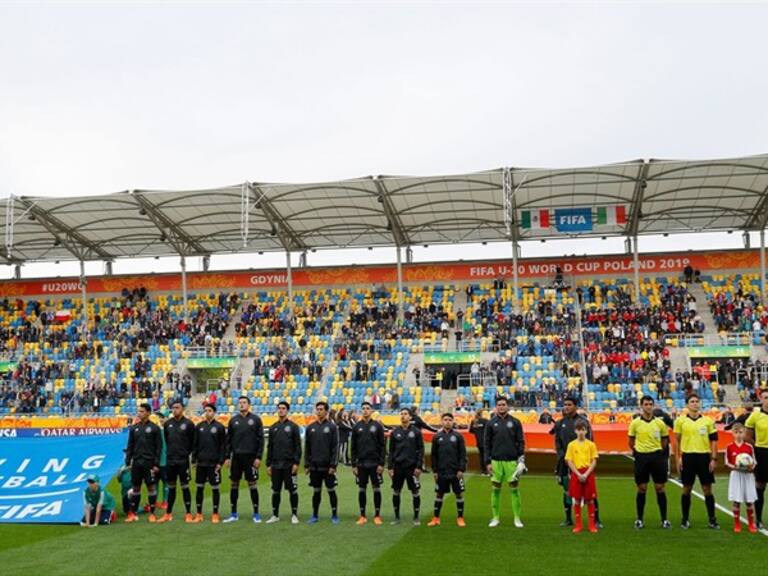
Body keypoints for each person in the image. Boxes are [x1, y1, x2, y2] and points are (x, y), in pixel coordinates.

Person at [551, 396, 601, 527]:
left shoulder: (583, 422)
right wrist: (563, 457)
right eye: (565, 404)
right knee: (567, 491)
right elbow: (557, 443)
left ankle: (596, 519)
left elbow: (590, 442)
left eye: (569, 404)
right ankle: (568, 518)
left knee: (590, 493)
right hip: (566, 463)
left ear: (576, 406)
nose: (566, 407)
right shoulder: (559, 423)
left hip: (583, 464)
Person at [673, 393, 719, 529]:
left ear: (699, 404)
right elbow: (677, 441)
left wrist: (714, 459)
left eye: (696, 401)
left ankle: (712, 519)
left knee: (707, 489)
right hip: (688, 457)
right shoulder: (680, 421)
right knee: (686, 489)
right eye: (692, 401)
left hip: (704, 457)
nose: (694, 403)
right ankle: (685, 519)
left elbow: (714, 441)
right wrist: (678, 458)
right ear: (687, 405)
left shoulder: (708, 421)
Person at [628, 395, 671, 529]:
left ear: (653, 406)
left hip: (657, 457)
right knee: (642, 488)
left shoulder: (659, 423)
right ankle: (640, 519)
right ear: (641, 406)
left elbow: (665, 441)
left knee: (660, 488)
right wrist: (639, 451)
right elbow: (631, 441)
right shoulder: (635, 423)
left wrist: (657, 451)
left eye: (650, 404)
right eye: (645, 404)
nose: (648, 407)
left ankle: (664, 519)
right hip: (641, 457)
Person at [485, 396, 525, 528]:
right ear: (496, 407)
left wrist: (521, 459)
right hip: (496, 461)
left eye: (503, 404)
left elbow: (521, 441)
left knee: (514, 488)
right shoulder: (491, 423)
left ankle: (517, 518)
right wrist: (488, 462)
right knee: (495, 489)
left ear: (507, 406)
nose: (501, 407)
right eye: (499, 405)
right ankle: (496, 518)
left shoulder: (515, 422)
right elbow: (486, 444)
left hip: (511, 461)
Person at [224, 396, 264, 523]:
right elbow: (228, 441)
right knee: (234, 484)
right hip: (236, 458)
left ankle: (256, 514)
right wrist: (227, 457)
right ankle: (234, 514)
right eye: (240, 403)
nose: (242, 405)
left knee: (252, 484)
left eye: (244, 402)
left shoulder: (256, 420)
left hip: (251, 458)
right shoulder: (233, 420)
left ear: (249, 404)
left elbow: (261, 440)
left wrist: (258, 457)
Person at [124, 403, 163, 523]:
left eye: (141, 411)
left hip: (149, 463)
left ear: (148, 413)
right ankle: (133, 513)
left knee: (151, 487)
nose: (139, 413)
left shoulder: (154, 428)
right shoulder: (134, 428)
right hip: (137, 462)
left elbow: (158, 448)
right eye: (138, 411)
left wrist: (156, 464)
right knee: (136, 487)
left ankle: (152, 513)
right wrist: (128, 460)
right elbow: (130, 445)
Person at [158, 400, 195, 523]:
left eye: (177, 407)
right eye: (173, 408)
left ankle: (188, 513)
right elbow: (168, 441)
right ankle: (168, 513)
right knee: (171, 488)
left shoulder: (189, 424)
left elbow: (192, 442)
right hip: (171, 461)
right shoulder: (168, 424)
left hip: (183, 461)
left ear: (182, 409)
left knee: (185, 487)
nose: (175, 410)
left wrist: (186, 454)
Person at [428, 413, 467, 527]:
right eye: (445, 420)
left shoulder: (458, 436)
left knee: (459, 494)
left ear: (453, 421)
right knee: (439, 494)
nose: (448, 422)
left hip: (455, 472)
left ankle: (460, 518)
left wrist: (461, 469)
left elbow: (462, 454)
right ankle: (436, 518)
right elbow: (433, 455)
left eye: (450, 420)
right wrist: (435, 471)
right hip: (441, 471)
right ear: (442, 421)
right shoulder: (437, 437)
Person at [266, 401, 302, 524]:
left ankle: (294, 515)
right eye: (279, 408)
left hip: (289, 465)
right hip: (276, 465)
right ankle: (275, 515)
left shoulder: (293, 427)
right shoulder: (273, 427)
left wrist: (296, 463)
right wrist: (268, 464)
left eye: (283, 408)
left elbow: (298, 446)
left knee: (292, 490)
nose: (281, 410)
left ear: (287, 411)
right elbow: (270, 447)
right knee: (275, 490)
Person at [387, 407, 424, 525]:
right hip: (398, 467)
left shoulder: (416, 432)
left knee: (415, 491)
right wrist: (390, 467)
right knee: (396, 491)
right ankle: (397, 517)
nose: (403, 416)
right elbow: (391, 451)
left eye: (405, 414)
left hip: (412, 467)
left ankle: (416, 517)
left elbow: (421, 450)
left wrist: (419, 466)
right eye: (401, 414)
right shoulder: (395, 432)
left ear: (410, 417)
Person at [351, 401, 386, 525]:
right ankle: (362, 515)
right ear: (361, 411)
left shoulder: (377, 426)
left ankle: (377, 515)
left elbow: (383, 446)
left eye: (367, 408)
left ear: (371, 411)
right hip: (361, 464)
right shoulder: (356, 427)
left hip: (375, 464)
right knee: (362, 489)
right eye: (363, 408)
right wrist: (353, 465)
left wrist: (381, 464)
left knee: (376, 488)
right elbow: (353, 447)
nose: (365, 410)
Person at [305, 401, 340, 524]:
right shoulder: (310, 427)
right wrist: (307, 465)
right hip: (314, 466)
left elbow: (335, 447)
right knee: (316, 491)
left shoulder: (332, 427)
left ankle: (334, 515)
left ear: (326, 411)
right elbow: (307, 448)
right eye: (317, 409)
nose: (319, 411)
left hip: (328, 467)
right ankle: (315, 515)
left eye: (321, 409)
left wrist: (333, 465)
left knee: (331, 490)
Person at [191, 403, 226, 523]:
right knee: (199, 488)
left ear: (214, 412)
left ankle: (215, 513)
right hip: (201, 463)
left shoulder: (220, 427)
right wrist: (193, 460)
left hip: (214, 464)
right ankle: (199, 513)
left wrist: (220, 462)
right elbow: (195, 444)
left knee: (215, 488)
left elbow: (223, 447)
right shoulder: (199, 426)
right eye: (206, 410)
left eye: (210, 410)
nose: (207, 412)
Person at [565, 421, 599, 534]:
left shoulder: (591, 444)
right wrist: (578, 474)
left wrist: (586, 474)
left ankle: (591, 525)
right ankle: (578, 525)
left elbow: (594, 460)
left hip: (588, 473)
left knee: (590, 499)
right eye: (578, 430)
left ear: (586, 430)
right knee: (577, 499)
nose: (581, 432)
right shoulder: (571, 445)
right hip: (577, 473)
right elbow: (569, 461)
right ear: (575, 431)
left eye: (583, 429)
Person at [725, 423, 758, 533]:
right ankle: (737, 524)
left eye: (741, 432)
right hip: (736, 475)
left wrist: (750, 467)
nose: (738, 435)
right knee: (736, 501)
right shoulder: (729, 447)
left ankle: (751, 524)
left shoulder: (749, 447)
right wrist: (735, 466)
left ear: (744, 433)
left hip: (748, 476)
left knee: (749, 501)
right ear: (732, 434)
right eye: (736, 432)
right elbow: (727, 462)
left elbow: (754, 461)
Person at [745, 388, 768, 528]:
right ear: (761, 399)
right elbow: (747, 436)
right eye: (765, 397)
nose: (767, 400)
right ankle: (758, 518)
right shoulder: (755, 416)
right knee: (760, 485)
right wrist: (758, 447)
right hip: (762, 453)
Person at [470, 409, 488, 474]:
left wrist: (477, 431)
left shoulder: (473, 421)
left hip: (479, 442)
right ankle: (487, 470)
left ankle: (483, 471)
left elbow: (471, 431)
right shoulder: (485, 421)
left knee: (481, 456)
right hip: (486, 442)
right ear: (481, 414)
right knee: (487, 456)